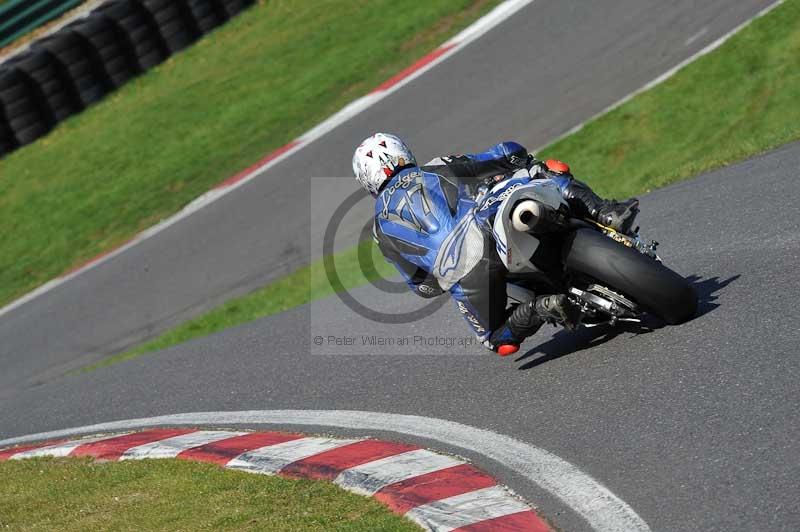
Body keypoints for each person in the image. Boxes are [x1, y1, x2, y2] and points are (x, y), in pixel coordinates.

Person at [352, 133, 639, 355]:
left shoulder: (379, 232)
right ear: (404, 153)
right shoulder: (434, 167)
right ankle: (605, 213)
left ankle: (539, 308)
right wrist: (519, 159)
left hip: (461, 273)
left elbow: (424, 288)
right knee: (546, 170)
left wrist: (444, 276)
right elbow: (498, 156)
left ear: (367, 180)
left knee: (496, 339)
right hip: (485, 226)